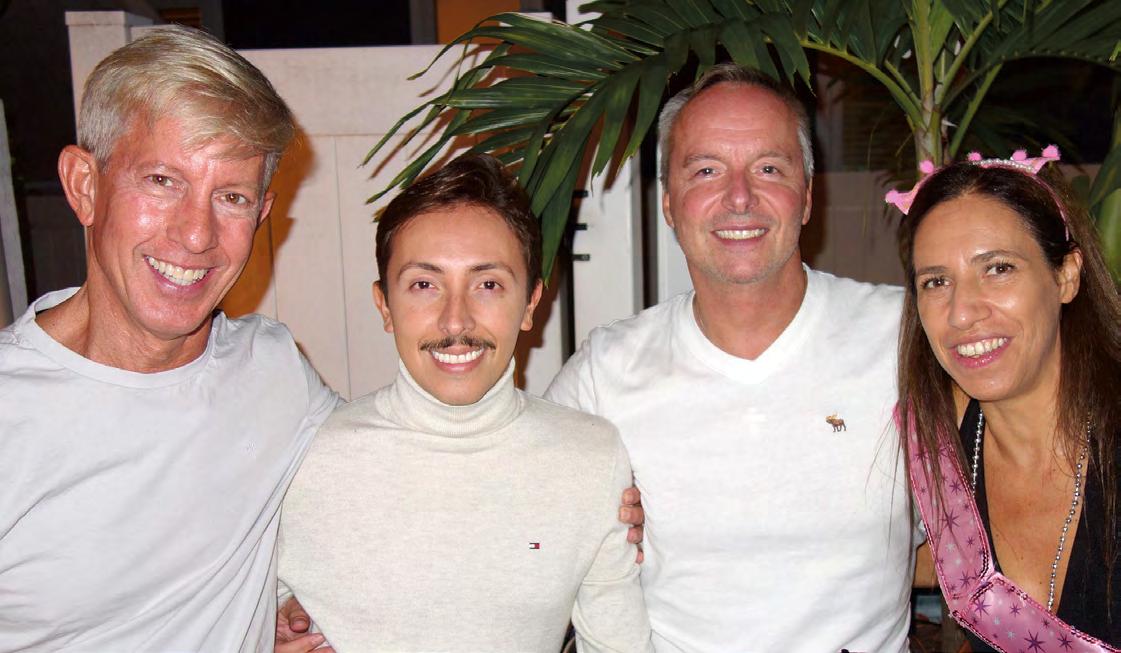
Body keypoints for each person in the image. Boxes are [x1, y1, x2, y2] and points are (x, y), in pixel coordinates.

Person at [545, 63, 918, 652]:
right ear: (670, 204)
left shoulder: (902, 338)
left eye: (769, 168)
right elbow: (519, 530)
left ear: (807, 197)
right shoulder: (605, 372)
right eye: (706, 170)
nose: (739, 197)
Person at [0, 26, 339, 652]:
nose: (196, 235)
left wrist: (292, 599)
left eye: (231, 197)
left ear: (261, 216)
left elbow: (393, 467)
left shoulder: (273, 369)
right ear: (84, 185)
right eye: (162, 181)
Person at [274, 153, 652, 652]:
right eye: (424, 285)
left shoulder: (590, 458)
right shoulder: (301, 460)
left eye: (488, 285)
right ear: (385, 305)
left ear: (530, 303)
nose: (456, 321)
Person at [892, 150, 1121, 650]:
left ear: (1066, 276)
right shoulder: (939, 446)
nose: (962, 313)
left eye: (998, 268)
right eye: (936, 281)